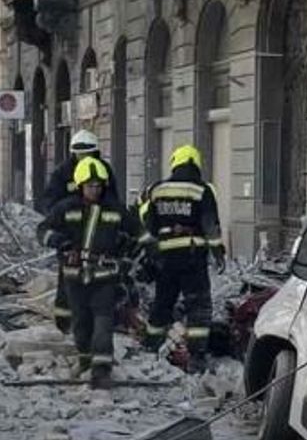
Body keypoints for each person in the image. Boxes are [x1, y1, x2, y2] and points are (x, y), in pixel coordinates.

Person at [38, 158, 152, 389]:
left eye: (98, 185)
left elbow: (141, 234)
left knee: (103, 322)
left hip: (104, 276)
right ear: (80, 186)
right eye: (90, 186)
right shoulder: (66, 208)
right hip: (74, 276)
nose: (95, 190)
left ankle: (101, 371)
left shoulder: (115, 210)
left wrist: (140, 254)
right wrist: (61, 243)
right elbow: (43, 231)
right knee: (81, 322)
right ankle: (85, 360)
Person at [139, 144, 225, 373]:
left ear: (174, 163)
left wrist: (150, 257)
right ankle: (196, 358)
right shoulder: (202, 190)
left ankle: (149, 348)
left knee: (162, 304)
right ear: (195, 164)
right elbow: (210, 226)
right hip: (192, 260)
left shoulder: (157, 190)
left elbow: (148, 228)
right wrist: (218, 253)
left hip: (165, 261)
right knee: (198, 307)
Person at [39, 129, 123, 334]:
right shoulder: (62, 173)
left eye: (88, 154)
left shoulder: (104, 171)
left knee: (103, 278)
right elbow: (49, 202)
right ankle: (64, 322)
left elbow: (113, 200)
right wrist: (60, 223)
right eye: (79, 154)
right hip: (71, 233)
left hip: (99, 232)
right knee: (67, 277)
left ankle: (98, 321)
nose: (83, 158)